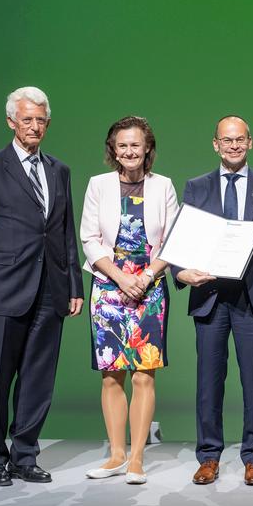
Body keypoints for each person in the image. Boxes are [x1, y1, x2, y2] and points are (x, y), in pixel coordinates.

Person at [0, 86, 84, 487]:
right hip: (1, 289)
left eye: (40, 119)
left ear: (48, 123)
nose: (34, 126)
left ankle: (24, 455)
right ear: (11, 121)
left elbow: (64, 233)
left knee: (38, 378)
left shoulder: (59, 171)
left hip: (51, 290)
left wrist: (74, 286)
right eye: (26, 119)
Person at [173, 115, 253, 486]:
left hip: (252, 296)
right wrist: (179, 271)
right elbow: (181, 238)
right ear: (215, 144)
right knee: (210, 380)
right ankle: (209, 456)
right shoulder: (197, 187)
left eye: (240, 140)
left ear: (250, 143)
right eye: (228, 140)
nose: (234, 145)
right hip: (209, 294)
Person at [79, 116, 179, 485]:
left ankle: (136, 458)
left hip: (149, 288)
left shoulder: (163, 186)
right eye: (122, 146)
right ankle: (116, 455)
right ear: (113, 150)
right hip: (108, 287)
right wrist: (120, 277)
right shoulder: (98, 185)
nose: (129, 151)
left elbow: (172, 240)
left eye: (136, 145)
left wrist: (145, 277)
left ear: (148, 148)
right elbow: (88, 238)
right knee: (111, 376)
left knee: (143, 376)